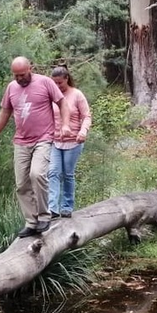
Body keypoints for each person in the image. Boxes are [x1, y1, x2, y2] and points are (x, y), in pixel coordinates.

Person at [0, 56, 71, 238]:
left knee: (37, 174)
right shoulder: (11, 88)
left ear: (30, 68)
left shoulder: (45, 83)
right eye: (16, 75)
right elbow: (5, 111)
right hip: (21, 141)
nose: (19, 79)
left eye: (22, 74)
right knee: (21, 184)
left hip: (43, 138)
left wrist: (64, 124)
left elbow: (62, 102)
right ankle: (31, 222)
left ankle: (44, 216)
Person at [47, 65, 91, 219]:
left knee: (67, 174)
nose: (57, 86)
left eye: (60, 83)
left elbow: (86, 116)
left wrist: (83, 131)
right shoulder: (51, 96)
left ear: (66, 79)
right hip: (55, 141)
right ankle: (52, 208)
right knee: (52, 172)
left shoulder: (77, 94)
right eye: (55, 83)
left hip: (73, 141)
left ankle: (67, 207)